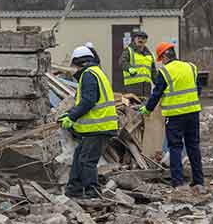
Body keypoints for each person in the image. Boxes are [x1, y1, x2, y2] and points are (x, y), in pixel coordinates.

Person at [139, 42, 205, 193]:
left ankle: (178, 183)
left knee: (175, 147)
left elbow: (157, 94)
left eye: (161, 59)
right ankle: (199, 182)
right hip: (193, 113)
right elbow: (198, 89)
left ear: (164, 57)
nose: (161, 62)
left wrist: (147, 109)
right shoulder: (191, 67)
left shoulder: (165, 72)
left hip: (175, 116)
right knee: (193, 146)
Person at [59, 46, 118, 199]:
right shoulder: (95, 72)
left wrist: (71, 117)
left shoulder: (88, 75)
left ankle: (92, 192)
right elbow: (87, 101)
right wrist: (70, 113)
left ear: (79, 63)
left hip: (98, 126)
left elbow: (88, 101)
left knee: (87, 160)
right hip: (99, 126)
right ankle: (74, 189)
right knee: (80, 156)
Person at [119, 31, 157, 98]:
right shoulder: (129, 50)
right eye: (138, 38)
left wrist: (159, 85)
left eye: (143, 38)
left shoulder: (149, 54)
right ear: (134, 39)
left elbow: (153, 72)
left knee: (145, 107)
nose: (140, 40)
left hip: (146, 88)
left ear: (146, 41)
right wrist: (129, 68)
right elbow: (122, 61)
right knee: (133, 107)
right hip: (132, 87)